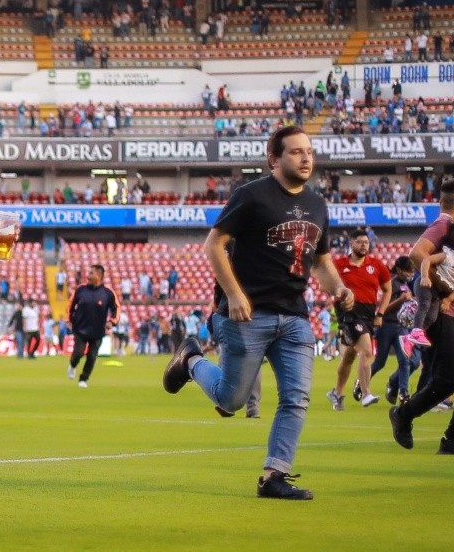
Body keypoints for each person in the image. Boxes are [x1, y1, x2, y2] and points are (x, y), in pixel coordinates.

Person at [162, 126, 354, 500]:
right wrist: (233, 293)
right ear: (274, 159)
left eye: (309, 152)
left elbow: (322, 262)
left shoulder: (317, 204)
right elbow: (213, 244)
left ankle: (273, 476)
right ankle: (191, 361)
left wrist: (339, 288)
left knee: (296, 397)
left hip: (295, 317)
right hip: (247, 315)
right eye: (296, 152)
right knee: (231, 400)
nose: (305, 158)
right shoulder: (251, 196)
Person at [389, 179, 454, 454]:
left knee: (446, 375)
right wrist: (444, 289)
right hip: (445, 311)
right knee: (449, 377)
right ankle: (405, 414)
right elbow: (417, 255)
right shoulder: (445, 224)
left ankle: (451, 440)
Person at [325, 229, 391, 410]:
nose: (363, 245)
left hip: (368, 314)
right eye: (359, 242)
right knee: (367, 352)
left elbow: (387, 289)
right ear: (351, 243)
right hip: (348, 314)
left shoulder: (376, 265)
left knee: (349, 356)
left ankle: (337, 393)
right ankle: (366, 393)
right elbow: (328, 285)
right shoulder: (339, 264)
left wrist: (380, 313)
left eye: (366, 242)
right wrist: (339, 293)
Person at [370, 256, 415, 405]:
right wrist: (401, 300)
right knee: (380, 362)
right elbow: (384, 309)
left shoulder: (405, 285)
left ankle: (403, 393)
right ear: (399, 270)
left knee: (404, 361)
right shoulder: (393, 284)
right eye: (408, 271)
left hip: (401, 327)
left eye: (412, 271)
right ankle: (361, 383)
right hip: (387, 326)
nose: (410, 274)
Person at [66, 264, 119, 387]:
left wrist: (112, 321)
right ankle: (73, 365)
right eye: (88, 273)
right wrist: (68, 319)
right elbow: (70, 305)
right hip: (80, 329)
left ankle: (83, 379)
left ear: (99, 276)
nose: (88, 276)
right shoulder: (80, 290)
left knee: (92, 356)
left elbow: (116, 308)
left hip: (98, 331)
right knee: (78, 353)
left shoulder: (108, 293)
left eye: (91, 273)